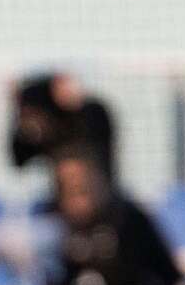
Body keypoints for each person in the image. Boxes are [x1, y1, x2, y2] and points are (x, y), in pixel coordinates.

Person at [50, 148, 182, 285]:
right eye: (68, 188)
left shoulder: (129, 219)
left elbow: (160, 276)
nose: (75, 195)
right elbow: (60, 280)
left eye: (82, 187)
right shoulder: (60, 224)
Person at [11, 72, 117, 200]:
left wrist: (71, 106)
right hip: (63, 206)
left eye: (34, 114)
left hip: (101, 200)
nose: (32, 123)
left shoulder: (88, 117)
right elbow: (19, 159)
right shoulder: (43, 135)